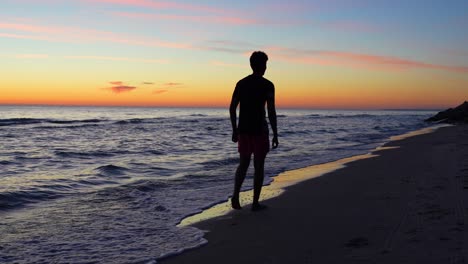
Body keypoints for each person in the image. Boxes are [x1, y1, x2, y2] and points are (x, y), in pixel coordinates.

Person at [229, 51, 278, 211]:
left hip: (243, 130)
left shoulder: (241, 83)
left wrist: (234, 129)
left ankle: (236, 195)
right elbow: (271, 111)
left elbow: (232, 107)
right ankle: (255, 203)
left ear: (251, 65)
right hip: (259, 130)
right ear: (263, 65)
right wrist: (275, 133)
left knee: (243, 164)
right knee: (259, 166)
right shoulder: (268, 85)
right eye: (265, 64)